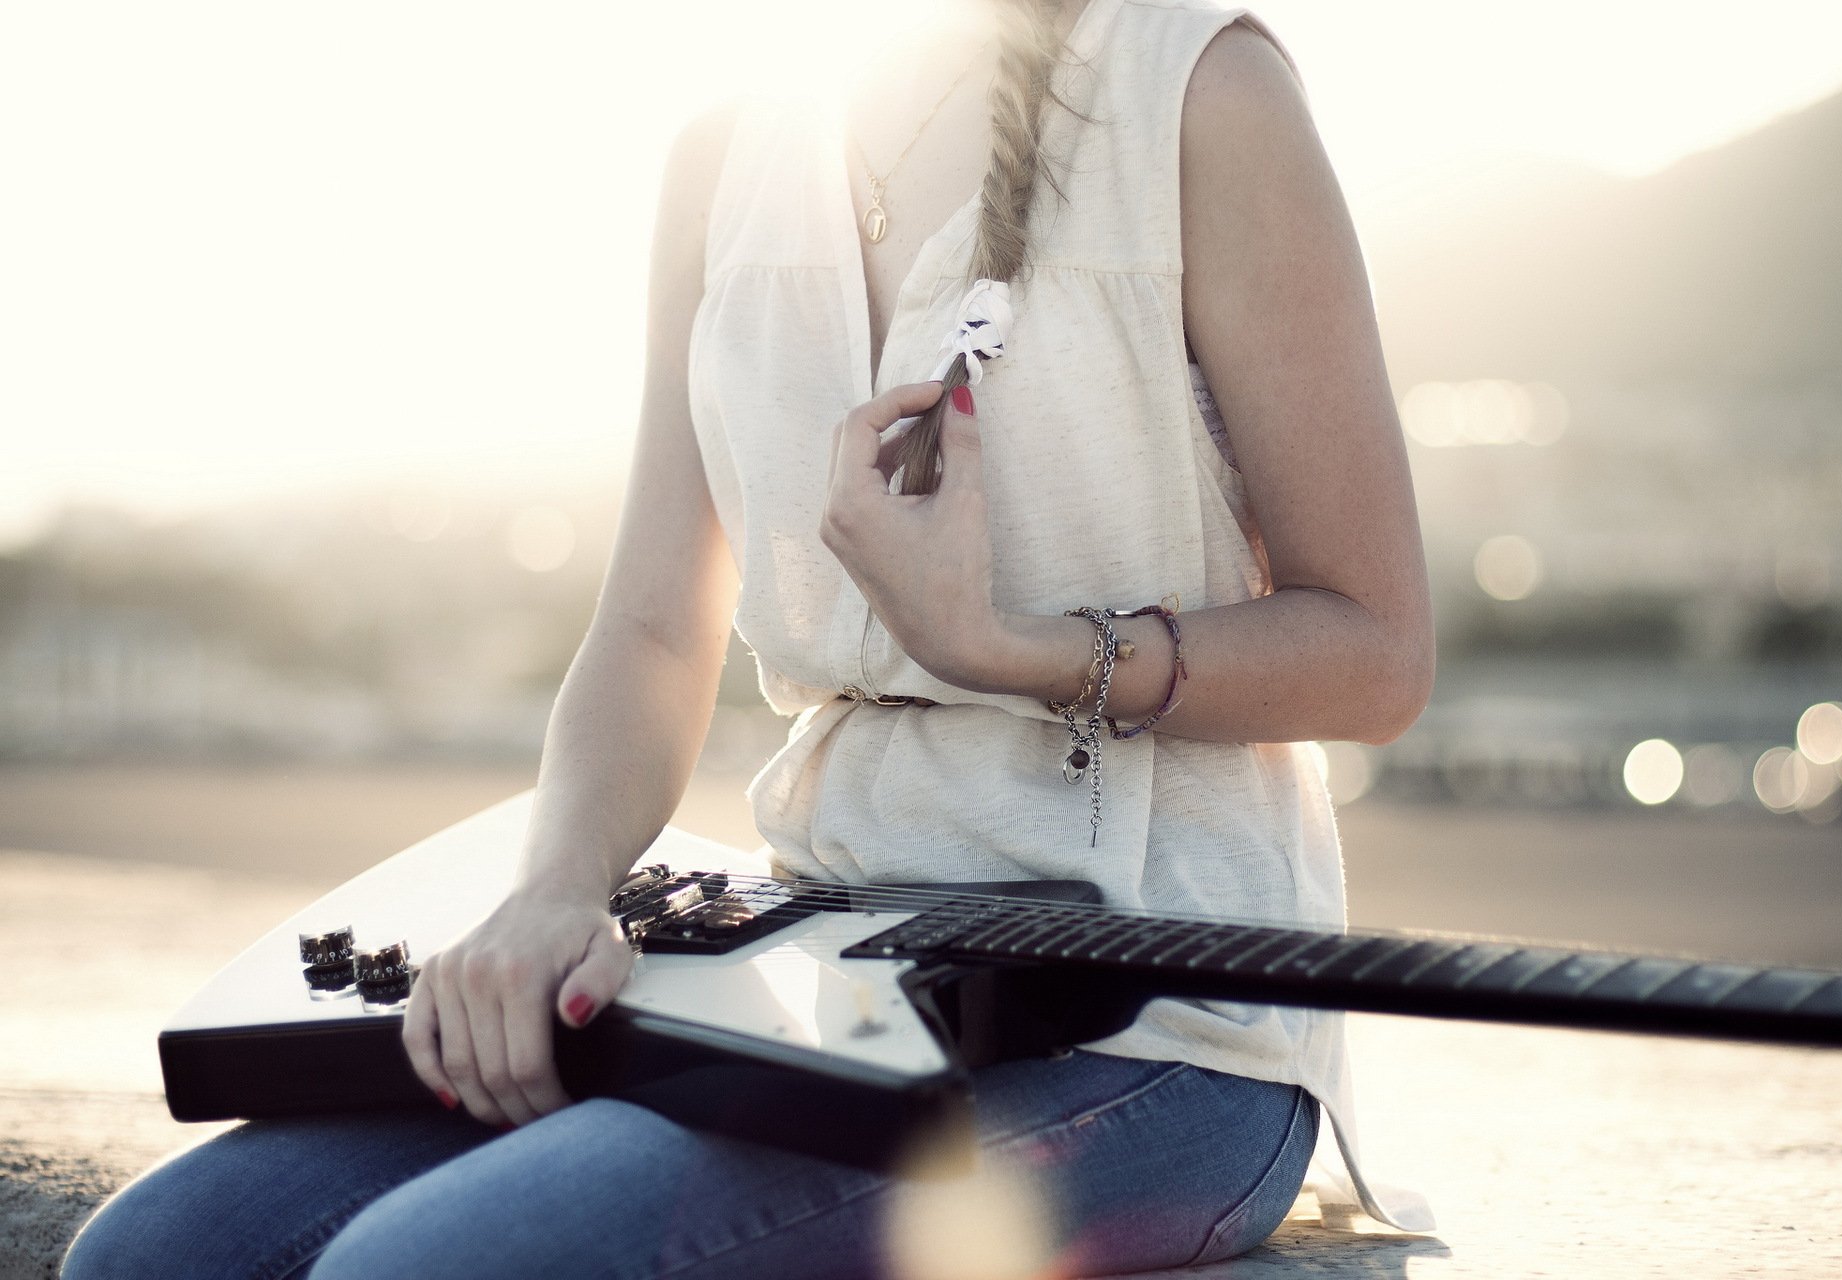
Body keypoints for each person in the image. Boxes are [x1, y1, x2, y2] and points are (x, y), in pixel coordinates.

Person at [63, 0, 1433, 1275]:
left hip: (1168, 1023)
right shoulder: (725, 152)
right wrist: (558, 890)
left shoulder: (1201, 85)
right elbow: (658, 626)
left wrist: (1005, 645)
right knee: (151, 1256)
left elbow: (1376, 653)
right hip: (813, 971)